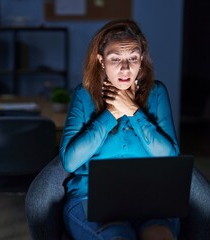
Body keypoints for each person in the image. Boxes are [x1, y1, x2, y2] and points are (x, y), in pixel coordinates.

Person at [59, 19, 180, 240]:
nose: (125, 68)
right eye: (115, 59)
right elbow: (70, 160)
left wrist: (133, 111)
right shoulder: (83, 94)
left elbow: (170, 157)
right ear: (101, 61)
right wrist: (112, 113)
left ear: (141, 59)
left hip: (149, 199)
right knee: (119, 237)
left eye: (133, 58)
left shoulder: (157, 92)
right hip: (91, 198)